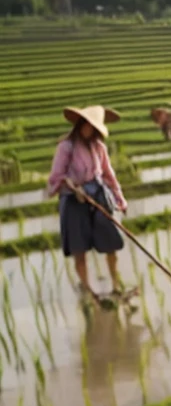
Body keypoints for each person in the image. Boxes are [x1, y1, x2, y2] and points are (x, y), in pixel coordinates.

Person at [46, 104, 129, 304]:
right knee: (79, 248)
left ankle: (116, 285)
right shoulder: (66, 147)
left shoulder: (99, 147)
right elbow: (56, 176)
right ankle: (89, 291)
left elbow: (109, 174)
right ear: (81, 125)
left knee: (111, 242)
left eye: (95, 128)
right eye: (89, 126)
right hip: (74, 200)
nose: (91, 131)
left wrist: (120, 198)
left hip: (98, 196)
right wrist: (72, 186)